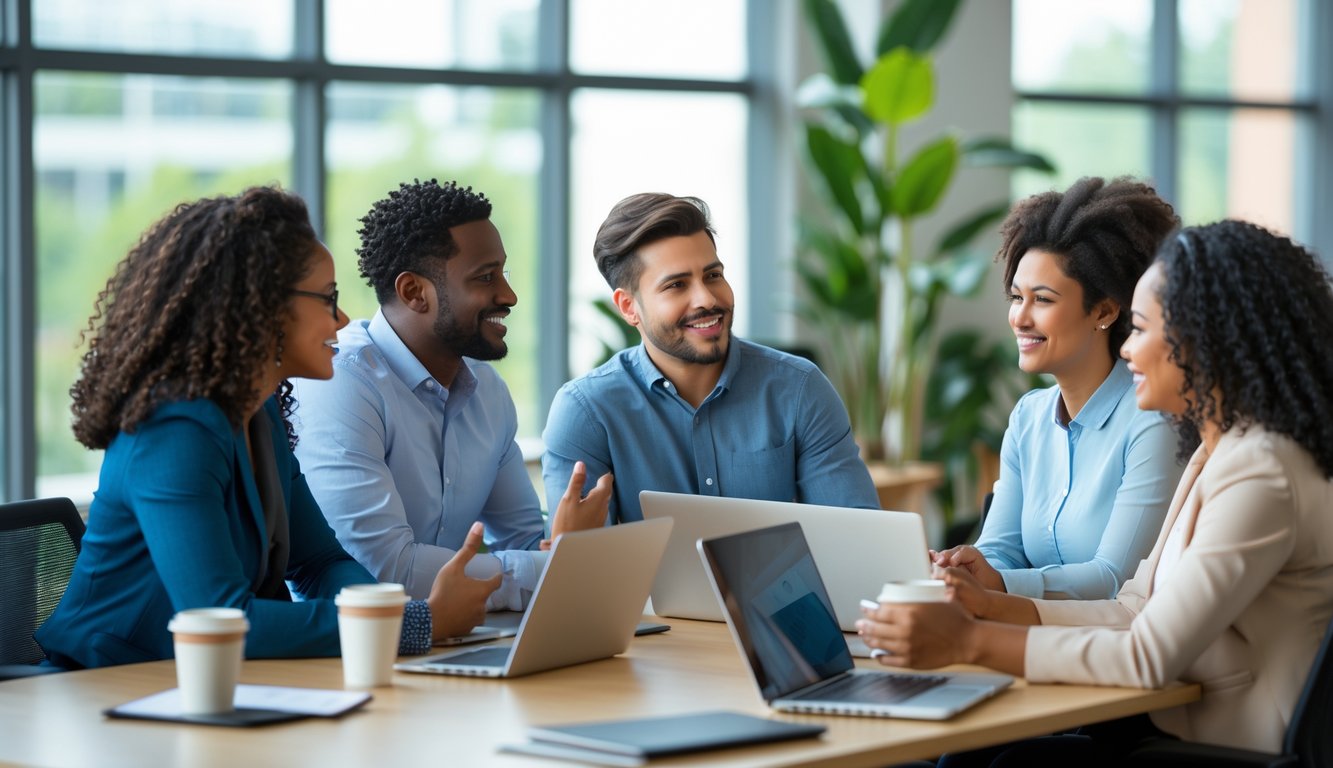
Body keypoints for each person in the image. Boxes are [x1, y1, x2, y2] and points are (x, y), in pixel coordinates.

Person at [858, 220, 1333, 761]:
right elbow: (1135, 607)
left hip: (1233, 748)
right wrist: (991, 605)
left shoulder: (1261, 471)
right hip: (1176, 729)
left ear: (1206, 338)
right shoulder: (1219, 451)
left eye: (1143, 329)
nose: (1128, 350)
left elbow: (1147, 656)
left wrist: (969, 640)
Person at [36, 187, 495, 669]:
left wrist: (391, 613)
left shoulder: (260, 413)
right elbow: (223, 619)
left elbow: (321, 563)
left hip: (208, 684)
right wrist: (412, 624)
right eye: (328, 298)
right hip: (103, 687)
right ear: (260, 307)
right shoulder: (173, 430)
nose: (341, 318)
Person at [292, 179, 611, 609]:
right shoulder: (341, 384)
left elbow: (524, 540)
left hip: (457, 639)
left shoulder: (488, 393)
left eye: (504, 272)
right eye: (485, 277)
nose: (509, 295)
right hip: (357, 649)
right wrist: (554, 564)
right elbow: (387, 569)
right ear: (414, 293)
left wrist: (560, 548)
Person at [542, 192, 878, 523]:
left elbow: (857, 536)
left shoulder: (800, 389)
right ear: (629, 307)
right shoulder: (587, 412)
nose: (706, 298)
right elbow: (583, 566)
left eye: (713, 275)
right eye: (676, 285)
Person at [933, 177, 1183, 600]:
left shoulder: (1154, 422)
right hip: (1036, 637)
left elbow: (1116, 581)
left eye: (1043, 300)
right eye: (1016, 297)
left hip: (1116, 650)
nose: (1020, 318)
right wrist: (969, 567)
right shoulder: (1028, 417)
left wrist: (1002, 583)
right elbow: (1002, 550)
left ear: (1103, 311)